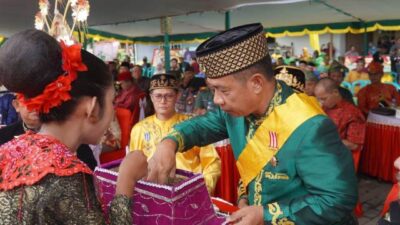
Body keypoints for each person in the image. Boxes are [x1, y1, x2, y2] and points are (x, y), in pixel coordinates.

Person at [145, 23, 358, 225]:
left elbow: (337, 199)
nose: (217, 100)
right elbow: (202, 126)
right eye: (213, 90)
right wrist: (169, 142)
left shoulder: (310, 126)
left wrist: (265, 214)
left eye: (224, 90)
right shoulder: (236, 109)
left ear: (256, 83)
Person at [0, 29, 147, 224]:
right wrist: (126, 180)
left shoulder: (11, 149)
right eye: (112, 101)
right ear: (92, 108)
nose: (113, 111)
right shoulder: (66, 174)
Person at [129, 74, 221, 194]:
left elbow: (212, 162)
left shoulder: (192, 125)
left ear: (177, 96)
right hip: (153, 191)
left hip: (189, 190)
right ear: (151, 97)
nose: (163, 101)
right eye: (158, 96)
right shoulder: (139, 129)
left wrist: (203, 189)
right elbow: (134, 166)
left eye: (169, 96)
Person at [0, 98, 98, 170]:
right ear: (17, 105)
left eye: (40, 100)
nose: (35, 106)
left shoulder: (68, 134)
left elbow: (90, 170)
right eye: (28, 101)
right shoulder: (4, 136)